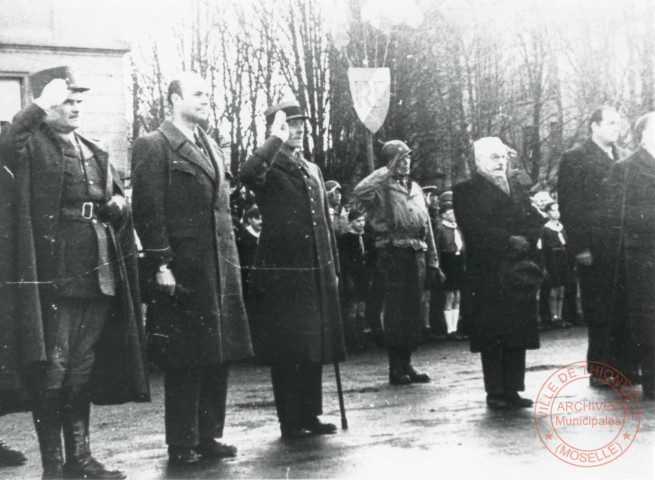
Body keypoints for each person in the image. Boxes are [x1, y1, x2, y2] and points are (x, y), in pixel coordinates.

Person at [0, 67, 149, 478]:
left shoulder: (91, 146)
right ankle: (53, 465)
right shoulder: (30, 144)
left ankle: (79, 459)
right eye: (66, 99)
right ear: (46, 103)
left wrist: (120, 206)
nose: (76, 106)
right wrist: (37, 105)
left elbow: (115, 191)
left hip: (97, 268)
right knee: (55, 365)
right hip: (54, 272)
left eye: (79, 98)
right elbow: (8, 145)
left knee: (81, 363)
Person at [131, 72, 252, 466]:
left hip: (219, 267)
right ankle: (182, 442)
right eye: (198, 94)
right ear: (174, 99)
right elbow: (148, 210)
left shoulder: (211, 145)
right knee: (187, 356)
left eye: (208, 93)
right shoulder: (155, 145)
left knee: (217, 353)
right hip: (184, 271)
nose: (206, 99)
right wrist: (161, 263)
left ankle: (208, 435)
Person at [239, 100, 346, 439]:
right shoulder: (269, 165)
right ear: (275, 128)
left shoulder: (311, 168)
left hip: (315, 269)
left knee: (313, 345)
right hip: (284, 272)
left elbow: (325, 225)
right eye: (290, 124)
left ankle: (310, 414)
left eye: (301, 124)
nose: (299, 129)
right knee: (289, 347)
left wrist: (334, 267)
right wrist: (273, 140)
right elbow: (247, 174)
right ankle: (290, 419)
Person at [453, 137, 543, 409]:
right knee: (492, 334)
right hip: (488, 272)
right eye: (494, 157)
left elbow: (534, 218)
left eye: (503, 157)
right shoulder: (466, 191)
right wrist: (507, 241)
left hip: (517, 270)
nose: (501, 162)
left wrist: (526, 238)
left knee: (517, 331)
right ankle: (495, 391)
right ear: (479, 161)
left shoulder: (517, 188)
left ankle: (513, 389)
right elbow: (473, 228)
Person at [354, 140, 441, 386]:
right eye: (399, 159)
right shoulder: (381, 187)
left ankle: (407, 363)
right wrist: (386, 169)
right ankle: (395, 367)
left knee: (413, 311)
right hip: (392, 254)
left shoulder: (415, 187)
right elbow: (360, 191)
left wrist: (433, 261)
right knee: (396, 312)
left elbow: (427, 229)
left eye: (407, 158)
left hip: (417, 252)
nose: (405, 163)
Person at [557, 106, 625, 387]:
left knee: (621, 307)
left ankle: (622, 367)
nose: (616, 128)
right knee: (599, 308)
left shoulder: (621, 157)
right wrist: (580, 247)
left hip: (621, 246)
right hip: (594, 248)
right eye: (610, 123)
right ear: (594, 126)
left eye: (619, 123)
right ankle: (599, 370)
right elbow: (569, 206)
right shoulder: (575, 158)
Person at [606, 112, 655, 400]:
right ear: (644, 134)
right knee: (649, 321)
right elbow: (619, 215)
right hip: (644, 255)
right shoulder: (625, 168)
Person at [337, 209, 369, 351]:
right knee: (352, 309)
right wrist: (348, 277)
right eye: (358, 221)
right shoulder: (345, 239)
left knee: (362, 309)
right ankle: (352, 341)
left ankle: (362, 339)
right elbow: (344, 262)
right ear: (350, 223)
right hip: (351, 277)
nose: (361, 224)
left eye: (363, 220)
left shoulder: (366, 238)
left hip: (364, 277)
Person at [435, 200, 466, 340]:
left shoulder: (457, 227)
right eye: (450, 213)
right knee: (449, 296)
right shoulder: (440, 228)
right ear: (443, 215)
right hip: (447, 263)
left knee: (458, 296)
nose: (453, 215)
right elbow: (437, 250)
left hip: (458, 262)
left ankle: (455, 328)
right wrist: (439, 268)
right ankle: (449, 330)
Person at [539, 202, 572, 328]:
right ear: (547, 213)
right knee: (554, 288)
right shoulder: (545, 229)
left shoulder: (562, 228)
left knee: (561, 289)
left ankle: (560, 315)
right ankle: (553, 316)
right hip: (552, 260)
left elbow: (566, 244)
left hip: (563, 260)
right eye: (552, 210)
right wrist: (544, 266)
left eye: (557, 210)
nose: (556, 213)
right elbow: (543, 249)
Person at [237, 206, 262, 304]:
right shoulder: (244, 237)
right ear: (249, 220)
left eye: (261, 218)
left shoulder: (263, 236)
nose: (260, 221)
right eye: (257, 218)